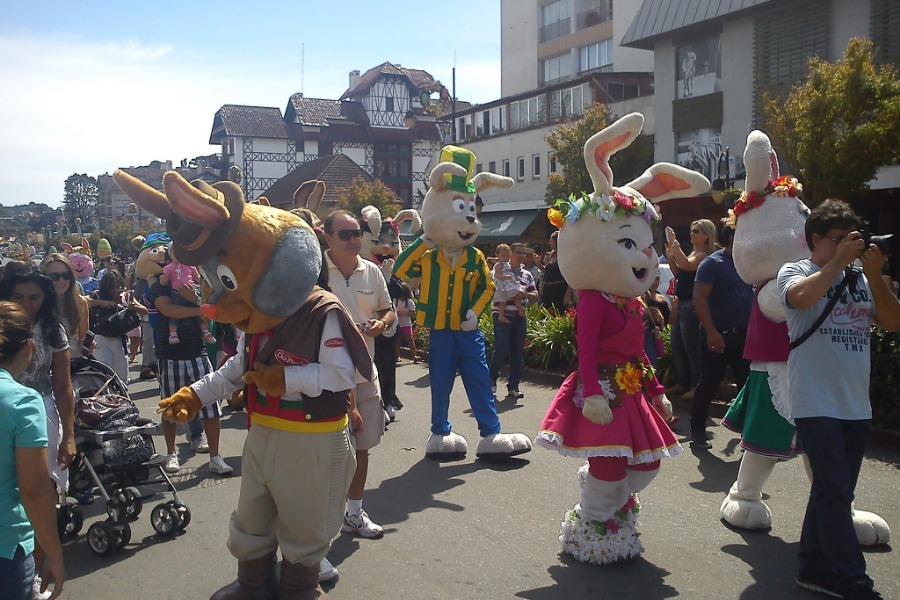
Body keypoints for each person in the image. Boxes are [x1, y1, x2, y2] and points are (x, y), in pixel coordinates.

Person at [778, 199, 900, 600]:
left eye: (854, 239)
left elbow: (893, 321)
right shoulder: (796, 270)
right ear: (816, 239)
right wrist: (836, 265)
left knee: (833, 490)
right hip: (815, 401)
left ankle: (813, 569)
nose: (851, 246)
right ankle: (852, 577)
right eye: (839, 239)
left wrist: (875, 275)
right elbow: (798, 298)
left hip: (855, 404)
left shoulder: (861, 278)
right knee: (834, 492)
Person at [0, 264, 76, 599]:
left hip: (40, 410)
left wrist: (70, 434)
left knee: (44, 491)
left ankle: (32, 569)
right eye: (19, 297)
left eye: (34, 297)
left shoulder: (52, 328)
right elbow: (30, 490)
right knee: (24, 492)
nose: (27, 304)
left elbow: (63, 385)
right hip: (15, 407)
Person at [323, 210, 395, 541]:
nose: (355, 240)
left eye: (358, 233)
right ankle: (320, 520)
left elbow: (387, 308)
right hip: (325, 378)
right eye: (346, 234)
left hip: (366, 374)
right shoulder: (316, 271)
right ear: (327, 237)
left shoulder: (372, 271)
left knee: (362, 447)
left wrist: (383, 322)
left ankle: (353, 513)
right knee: (325, 451)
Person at [149, 271, 231, 476]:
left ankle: (215, 457)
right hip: (169, 355)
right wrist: (196, 308)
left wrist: (194, 300)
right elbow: (167, 310)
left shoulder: (198, 283)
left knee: (211, 407)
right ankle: (170, 453)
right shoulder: (160, 282)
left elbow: (211, 315)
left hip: (198, 353)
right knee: (170, 407)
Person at [689, 223, 753, 448]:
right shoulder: (713, 263)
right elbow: (698, 297)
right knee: (708, 382)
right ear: (731, 237)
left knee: (749, 384)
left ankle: (750, 435)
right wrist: (711, 332)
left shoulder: (751, 264)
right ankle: (697, 430)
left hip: (745, 336)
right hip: (717, 334)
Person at [665, 219, 718, 399]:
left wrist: (675, 244)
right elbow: (679, 272)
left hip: (691, 307)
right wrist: (671, 256)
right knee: (677, 346)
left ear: (706, 236)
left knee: (692, 347)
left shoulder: (704, 254)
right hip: (683, 304)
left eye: (696, 231)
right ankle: (682, 382)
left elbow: (687, 264)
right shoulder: (693, 252)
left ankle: (697, 385)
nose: (692, 234)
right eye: (692, 230)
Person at [489, 242, 538, 399]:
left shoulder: (527, 274)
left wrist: (522, 295)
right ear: (511, 254)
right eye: (519, 252)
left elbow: (534, 295)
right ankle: (491, 381)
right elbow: (494, 286)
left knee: (518, 352)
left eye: (524, 253)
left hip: (518, 316)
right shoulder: (501, 268)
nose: (522, 256)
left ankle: (513, 386)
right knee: (501, 349)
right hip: (502, 314)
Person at [89, 271, 148, 383]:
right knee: (105, 374)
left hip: (119, 339)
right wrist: (101, 303)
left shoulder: (126, 295)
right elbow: (83, 302)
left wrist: (133, 307)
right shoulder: (97, 294)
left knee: (122, 376)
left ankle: (122, 398)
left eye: (118, 287)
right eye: (113, 287)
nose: (116, 290)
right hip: (100, 338)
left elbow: (144, 311)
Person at [160, 251, 216, 346]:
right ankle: (173, 334)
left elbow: (197, 279)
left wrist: (204, 284)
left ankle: (205, 331)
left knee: (198, 312)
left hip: (192, 291)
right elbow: (170, 311)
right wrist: (163, 279)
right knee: (177, 312)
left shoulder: (190, 266)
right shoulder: (169, 267)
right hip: (177, 292)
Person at [40, 254, 90, 357]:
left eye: (66, 275)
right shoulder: (37, 303)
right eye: (55, 276)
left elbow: (83, 338)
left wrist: (88, 346)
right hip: (45, 367)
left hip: (73, 365)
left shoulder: (80, 303)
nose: (61, 280)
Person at [491, 243, 527, 324]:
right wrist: (505, 277)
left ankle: (521, 311)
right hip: (503, 285)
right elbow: (497, 275)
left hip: (509, 284)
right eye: (503, 256)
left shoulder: (507, 265)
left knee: (516, 296)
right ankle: (501, 316)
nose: (505, 258)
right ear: (497, 255)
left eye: (507, 256)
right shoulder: (499, 265)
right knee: (503, 301)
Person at [642, 275, 670, 370]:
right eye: (652, 279)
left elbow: (669, 320)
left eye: (657, 279)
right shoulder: (644, 297)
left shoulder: (661, 297)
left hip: (657, 335)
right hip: (647, 334)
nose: (654, 282)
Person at [394, 281, 420, 363]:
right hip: (397, 324)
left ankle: (414, 355)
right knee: (397, 340)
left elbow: (413, 312)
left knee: (410, 340)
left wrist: (404, 313)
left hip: (406, 324)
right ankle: (397, 356)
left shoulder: (409, 302)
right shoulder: (395, 300)